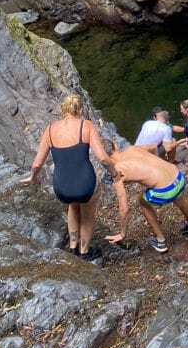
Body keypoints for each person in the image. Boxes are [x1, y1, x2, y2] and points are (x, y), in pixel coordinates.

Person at [22, 94, 121, 261]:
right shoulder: (86, 126)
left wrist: (32, 177)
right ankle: (85, 252)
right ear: (80, 110)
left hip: (62, 187)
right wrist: (115, 174)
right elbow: (103, 158)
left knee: (73, 206)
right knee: (88, 213)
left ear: (64, 110)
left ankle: (73, 247)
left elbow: (37, 163)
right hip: (85, 185)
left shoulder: (50, 130)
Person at [102, 142, 188, 253]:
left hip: (167, 191)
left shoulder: (117, 171)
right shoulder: (132, 149)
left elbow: (124, 208)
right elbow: (153, 146)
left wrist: (122, 234)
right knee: (179, 197)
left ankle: (161, 241)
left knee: (142, 200)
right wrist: (158, 165)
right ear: (115, 146)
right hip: (179, 177)